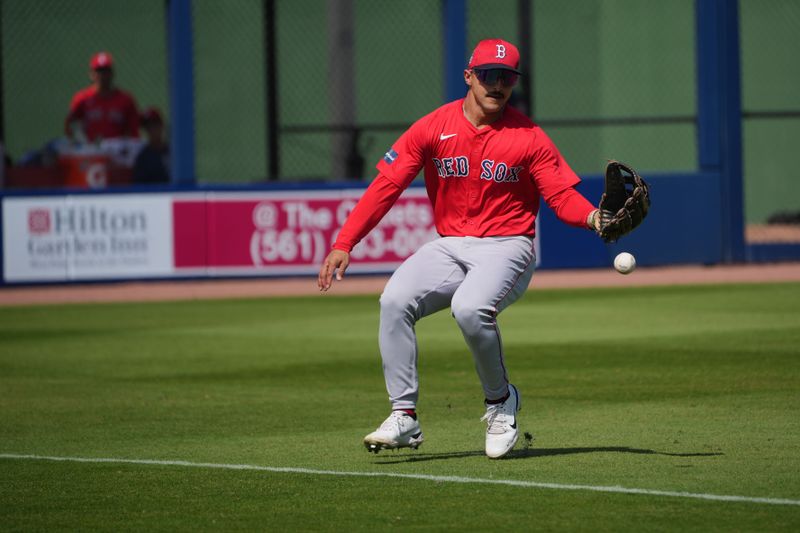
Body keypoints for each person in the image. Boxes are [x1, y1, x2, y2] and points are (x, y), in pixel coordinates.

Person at [317, 38, 607, 459]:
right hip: (450, 244)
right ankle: (404, 416)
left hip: (509, 245)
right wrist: (345, 242)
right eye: (489, 75)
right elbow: (387, 186)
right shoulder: (433, 126)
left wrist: (595, 218)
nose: (497, 85)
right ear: (469, 76)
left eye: (507, 77)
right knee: (394, 300)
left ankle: (500, 402)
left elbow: (561, 198)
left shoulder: (530, 137)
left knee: (470, 309)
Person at [64, 51, 140, 143]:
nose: (103, 76)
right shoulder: (82, 99)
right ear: (91, 74)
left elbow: (134, 132)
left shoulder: (126, 100)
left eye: (106, 71)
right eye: (99, 71)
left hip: (116, 153)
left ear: (112, 73)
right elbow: (70, 125)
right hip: (91, 152)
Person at [132, 107, 170, 184]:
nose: (152, 130)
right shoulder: (143, 158)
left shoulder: (174, 152)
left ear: (161, 125)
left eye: (154, 125)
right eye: (148, 127)